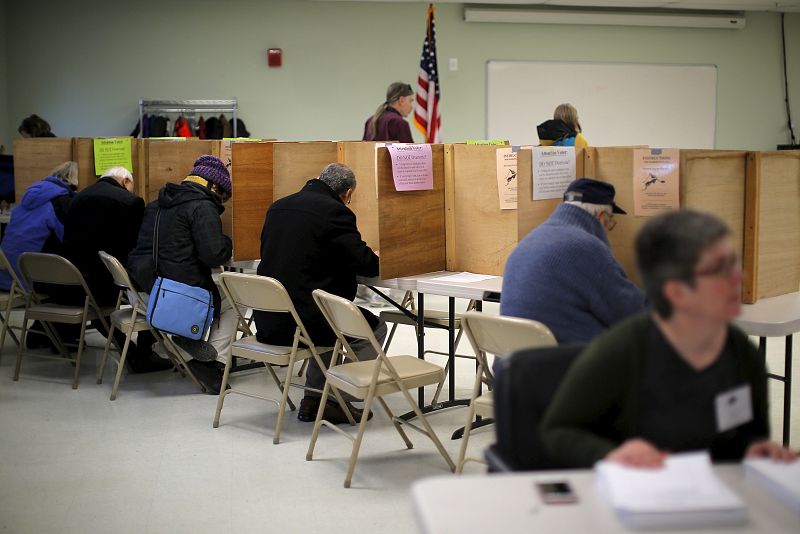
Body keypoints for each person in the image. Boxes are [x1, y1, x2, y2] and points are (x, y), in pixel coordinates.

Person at [541, 210, 797, 468]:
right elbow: (559, 431)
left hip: (718, 498)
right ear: (676, 292)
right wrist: (609, 454)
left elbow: (749, 437)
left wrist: (755, 450)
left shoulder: (741, 352)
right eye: (719, 270)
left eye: (734, 263)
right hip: (637, 495)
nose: (738, 277)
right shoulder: (621, 351)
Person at [254, 163, 386, 423]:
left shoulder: (278, 206)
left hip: (270, 319)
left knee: (328, 318)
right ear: (347, 193)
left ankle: (313, 400)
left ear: (317, 179)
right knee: (372, 328)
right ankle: (339, 401)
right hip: (304, 323)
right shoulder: (335, 211)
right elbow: (366, 263)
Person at [127, 155, 238, 393]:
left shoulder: (157, 203)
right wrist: (228, 242)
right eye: (223, 196)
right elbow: (214, 255)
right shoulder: (202, 206)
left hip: (145, 290)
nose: (223, 202)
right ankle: (211, 363)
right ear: (214, 186)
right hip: (176, 297)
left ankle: (183, 345)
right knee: (234, 301)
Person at [500, 178, 645, 344]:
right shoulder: (585, 248)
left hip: (512, 364)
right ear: (602, 217)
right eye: (609, 222)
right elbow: (630, 312)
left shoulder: (530, 239)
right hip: (566, 365)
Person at [54, 166, 166, 371]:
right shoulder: (130, 201)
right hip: (108, 277)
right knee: (153, 287)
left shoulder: (78, 197)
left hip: (73, 274)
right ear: (125, 181)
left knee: (100, 309)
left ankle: (130, 351)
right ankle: (143, 353)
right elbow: (136, 245)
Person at [0, 161, 76, 291]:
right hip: (32, 280)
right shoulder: (60, 202)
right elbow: (69, 239)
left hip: (6, 275)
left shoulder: (28, 197)